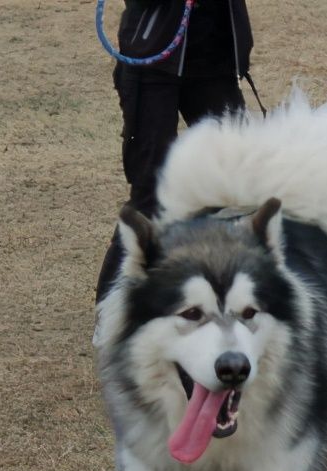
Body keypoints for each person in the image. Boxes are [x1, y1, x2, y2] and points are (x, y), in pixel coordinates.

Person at [95, 0, 253, 302]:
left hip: (215, 60)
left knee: (236, 181)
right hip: (153, 63)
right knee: (150, 195)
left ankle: (227, 293)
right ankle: (113, 308)